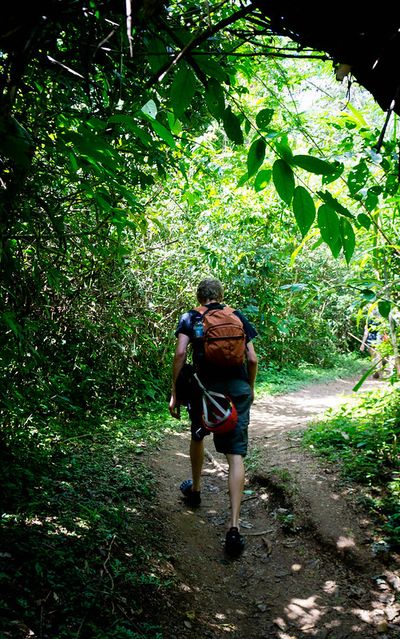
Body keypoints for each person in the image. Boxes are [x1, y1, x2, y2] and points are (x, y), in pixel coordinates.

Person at [169, 278, 258, 556]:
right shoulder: (237, 316)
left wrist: (175, 392)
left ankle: (195, 490)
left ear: (199, 297)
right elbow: (252, 359)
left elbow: (181, 353)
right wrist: (249, 388)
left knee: (198, 435)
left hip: (204, 391)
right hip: (237, 389)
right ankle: (233, 528)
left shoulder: (190, 317)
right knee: (235, 456)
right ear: (220, 295)